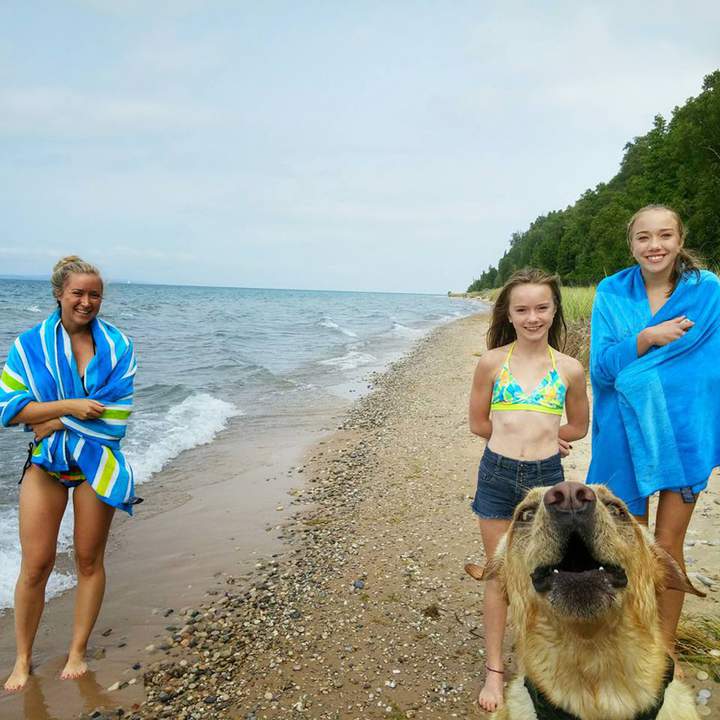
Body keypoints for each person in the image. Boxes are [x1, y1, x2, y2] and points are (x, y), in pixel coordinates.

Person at [588, 204, 720, 670]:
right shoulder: (611, 291)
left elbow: (705, 368)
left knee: (666, 546)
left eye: (665, 235)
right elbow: (603, 371)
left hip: (683, 433)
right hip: (623, 435)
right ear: (631, 244)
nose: (655, 245)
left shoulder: (707, 290)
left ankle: (664, 647)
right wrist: (646, 339)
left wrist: (640, 372)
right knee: (628, 548)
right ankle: (630, 641)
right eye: (643, 237)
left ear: (680, 240)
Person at [1, 256, 140, 692]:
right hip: (46, 465)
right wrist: (71, 407)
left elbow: (115, 418)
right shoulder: (29, 346)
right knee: (36, 565)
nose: (86, 301)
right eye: (78, 292)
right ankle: (22, 658)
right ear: (59, 293)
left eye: (94, 294)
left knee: (88, 561)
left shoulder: (118, 346)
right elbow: (11, 409)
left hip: (97, 465)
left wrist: (53, 420)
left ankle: (77, 651)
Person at [468, 268, 589, 712]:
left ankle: (544, 665)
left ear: (554, 311)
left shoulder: (569, 368)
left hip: (546, 480)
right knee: (499, 575)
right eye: (522, 309)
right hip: (496, 475)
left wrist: (549, 435)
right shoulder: (492, 363)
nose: (532, 317)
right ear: (509, 314)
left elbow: (579, 426)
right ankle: (495, 672)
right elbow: (478, 422)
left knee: (545, 575)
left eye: (542, 308)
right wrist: (510, 435)